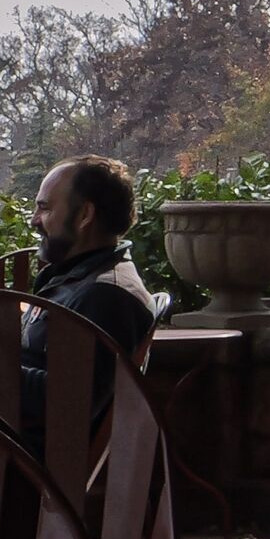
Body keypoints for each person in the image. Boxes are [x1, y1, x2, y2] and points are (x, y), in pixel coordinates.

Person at [20, 155, 156, 446]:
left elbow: (69, 401)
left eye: (44, 208)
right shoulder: (74, 280)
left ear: (84, 216)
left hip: (18, 465)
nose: (34, 220)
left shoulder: (105, 296)